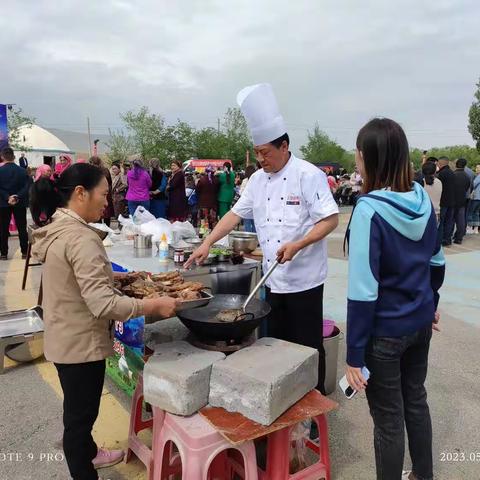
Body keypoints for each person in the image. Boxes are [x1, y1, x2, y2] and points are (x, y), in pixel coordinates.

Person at [186, 83, 339, 395]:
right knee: (277, 347)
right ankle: (286, 401)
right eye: (257, 153)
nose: (260, 159)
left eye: (265, 153)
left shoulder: (308, 175)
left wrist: (299, 245)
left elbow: (330, 219)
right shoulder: (256, 180)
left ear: (284, 146)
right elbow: (233, 215)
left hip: (305, 281)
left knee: (308, 346)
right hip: (273, 278)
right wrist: (207, 243)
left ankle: (314, 406)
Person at [29, 164, 178, 480]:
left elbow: (72, 278)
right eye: (104, 194)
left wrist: (111, 275)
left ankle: (90, 452)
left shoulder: (58, 226)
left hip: (62, 335)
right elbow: (103, 303)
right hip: (80, 345)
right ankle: (84, 470)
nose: (107, 203)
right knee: (79, 419)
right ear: (80, 193)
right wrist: (155, 305)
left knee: (78, 412)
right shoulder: (81, 238)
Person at [345, 118, 445, 480]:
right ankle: (423, 474)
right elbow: (437, 261)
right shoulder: (421, 198)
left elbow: (362, 290)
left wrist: (354, 354)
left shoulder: (369, 209)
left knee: (388, 421)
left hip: (385, 334)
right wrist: (430, 303)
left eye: (358, 153)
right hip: (420, 324)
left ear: (367, 158)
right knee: (415, 401)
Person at [0, 147, 29, 260]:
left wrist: (7, 197)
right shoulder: (22, 171)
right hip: (19, 203)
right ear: (14, 157)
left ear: (2, 157)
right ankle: (25, 252)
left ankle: (3, 253)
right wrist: (17, 196)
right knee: (22, 228)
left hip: (3, 203)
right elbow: (26, 187)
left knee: (3, 229)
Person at [451, 158, 472, 244]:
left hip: (452, 200)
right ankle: (459, 238)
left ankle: (448, 237)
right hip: (462, 200)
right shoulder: (467, 176)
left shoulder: (453, 175)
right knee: (461, 220)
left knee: (450, 220)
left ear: (456, 164)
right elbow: (468, 188)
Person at [89, 156, 114, 227]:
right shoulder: (105, 170)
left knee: (97, 210)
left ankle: (100, 230)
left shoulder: (91, 170)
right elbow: (110, 182)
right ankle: (107, 230)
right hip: (106, 193)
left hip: (96, 193)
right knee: (107, 212)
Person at [436, 156, 455, 246]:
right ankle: (447, 240)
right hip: (452, 201)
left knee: (441, 222)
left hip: (443, 202)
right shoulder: (453, 173)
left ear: (441, 163)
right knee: (449, 221)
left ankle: (440, 240)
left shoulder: (440, 174)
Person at [239, 165, 257, 232]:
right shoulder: (257, 180)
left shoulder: (245, 181)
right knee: (255, 223)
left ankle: (249, 236)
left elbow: (241, 192)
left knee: (247, 222)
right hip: (255, 205)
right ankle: (255, 237)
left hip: (246, 204)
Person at [467, 165, 480, 234]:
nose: (476, 169)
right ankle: (476, 228)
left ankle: (469, 228)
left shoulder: (478, 176)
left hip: (476, 197)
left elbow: (473, 184)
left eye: (477, 168)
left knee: (471, 212)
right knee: (477, 213)